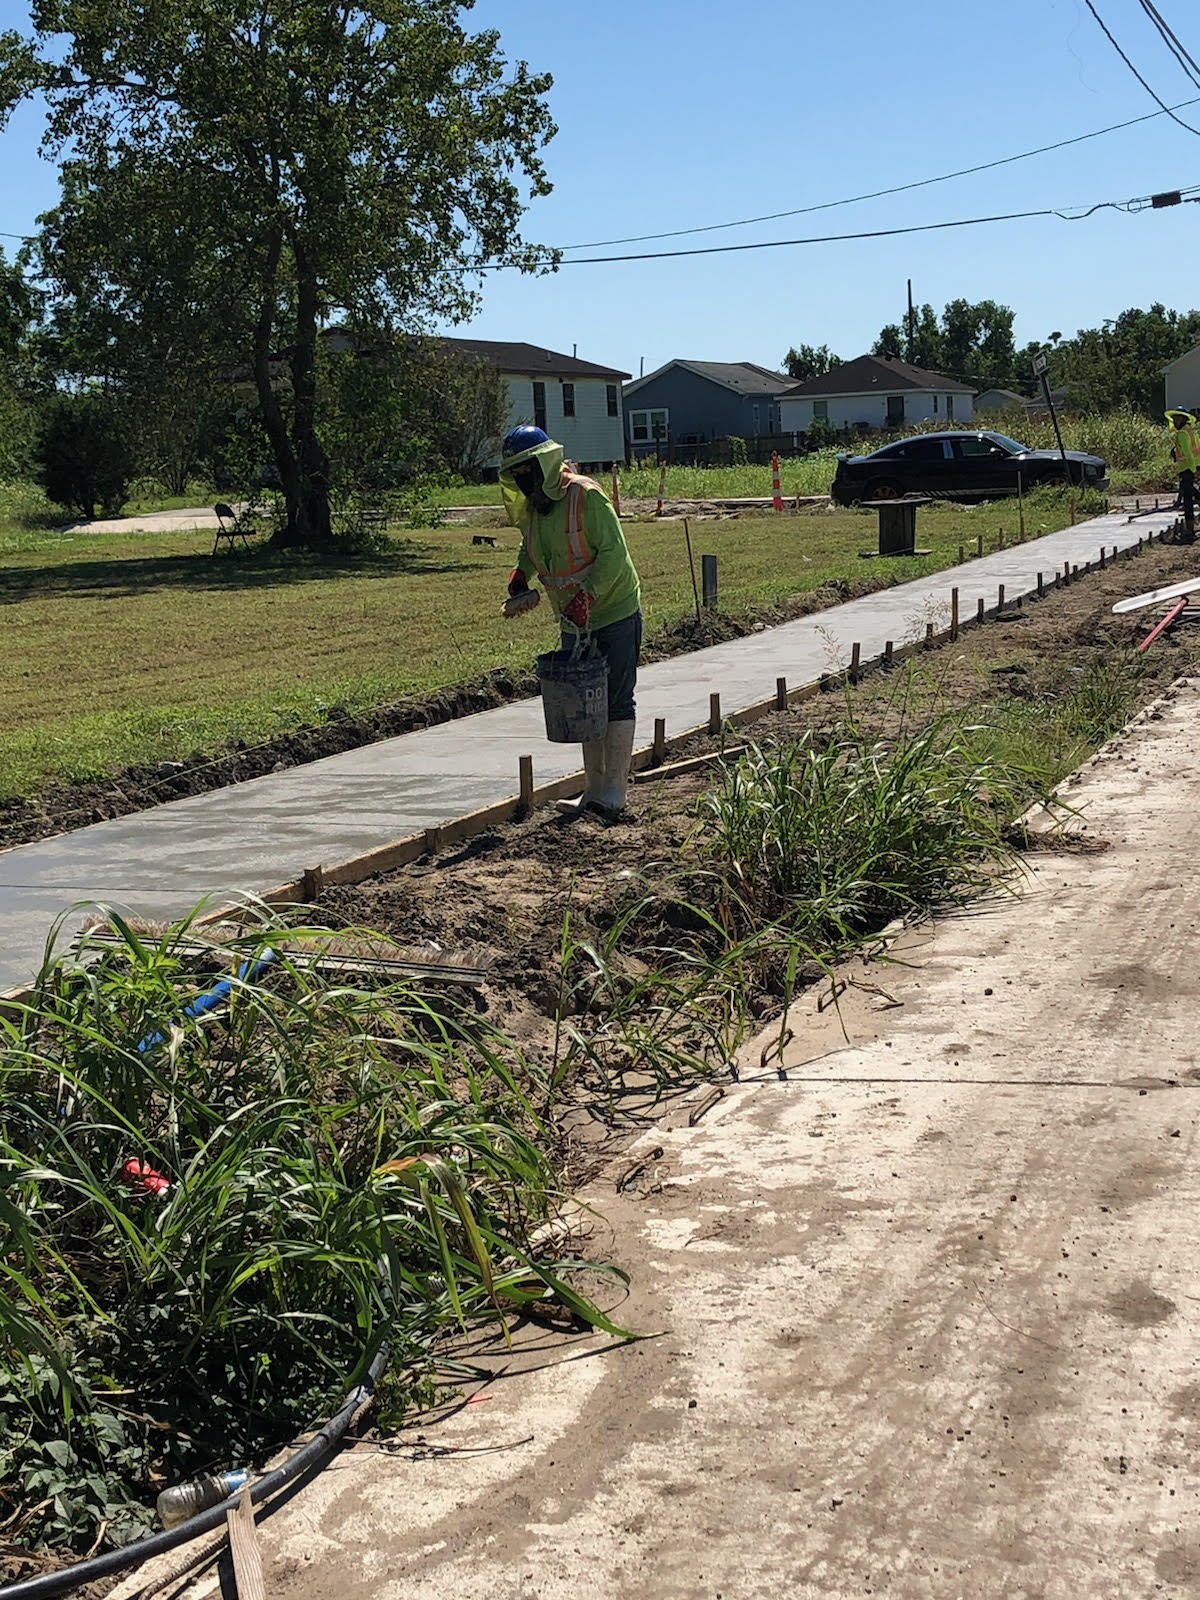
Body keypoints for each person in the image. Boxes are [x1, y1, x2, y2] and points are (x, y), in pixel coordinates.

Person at [498, 425, 642, 819]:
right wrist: (520, 573)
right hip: (573, 619)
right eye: (517, 478)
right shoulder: (533, 509)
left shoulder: (586, 496)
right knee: (583, 702)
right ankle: (592, 791)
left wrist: (588, 594)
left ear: (544, 466)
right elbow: (532, 545)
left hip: (613, 609)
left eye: (528, 475)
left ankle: (613, 792)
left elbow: (613, 553)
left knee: (613, 698)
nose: (525, 486)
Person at [1166, 408, 1199, 544]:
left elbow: (1188, 453)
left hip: (1187, 469)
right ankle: (1190, 528)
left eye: (1176, 419)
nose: (1174, 421)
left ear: (1182, 419)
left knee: (1188, 499)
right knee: (1192, 494)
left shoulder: (1182, 434)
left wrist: (1192, 470)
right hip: (1193, 466)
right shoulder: (1190, 430)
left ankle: (1190, 530)